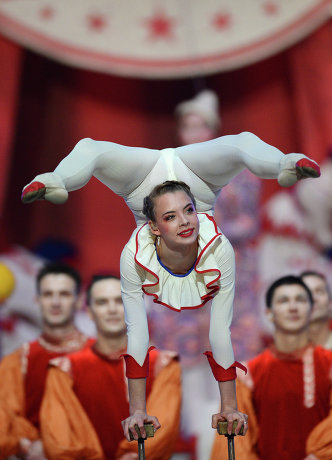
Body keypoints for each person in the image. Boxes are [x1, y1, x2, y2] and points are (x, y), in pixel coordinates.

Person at [21, 131, 320, 436]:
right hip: (162, 188)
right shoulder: (135, 257)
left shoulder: (218, 249)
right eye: (173, 218)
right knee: (89, 148)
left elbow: (220, 331)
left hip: (194, 187)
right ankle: (57, 181)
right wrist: (138, 410)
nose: (187, 222)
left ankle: (285, 164)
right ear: (155, 229)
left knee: (243, 142)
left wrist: (229, 405)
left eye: (188, 215)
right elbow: (137, 334)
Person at [40, 274, 181, 460]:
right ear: (89, 311)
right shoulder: (65, 369)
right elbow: (59, 438)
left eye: (120, 301)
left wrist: (131, 455)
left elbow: (164, 428)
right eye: (102, 302)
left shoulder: (162, 364)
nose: (112, 309)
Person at [210, 275, 332, 460]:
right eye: (283, 301)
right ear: (269, 313)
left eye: (300, 300)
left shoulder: (328, 364)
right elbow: (237, 446)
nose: (292, 307)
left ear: (311, 309)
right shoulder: (248, 375)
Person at [0, 262, 92, 460]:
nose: (55, 302)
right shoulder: (18, 361)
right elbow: (6, 416)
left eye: (64, 294)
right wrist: (27, 444)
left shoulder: (102, 357)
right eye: (48, 295)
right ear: (37, 300)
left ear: (78, 301)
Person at [301, 271, 332, 349]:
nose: (313, 298)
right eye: (306, 293)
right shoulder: (284, 353)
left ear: (330, 303)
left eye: (319, 291)